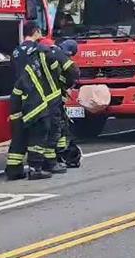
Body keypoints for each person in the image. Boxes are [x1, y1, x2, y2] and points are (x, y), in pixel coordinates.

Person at [6, 22, 66, 180]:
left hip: (17, 97)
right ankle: (36, 167)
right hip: (36, 97)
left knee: (19, 134)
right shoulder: (38, 51)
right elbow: (52, 71)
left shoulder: (16, 52)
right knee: (40, 131)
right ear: (36, 32)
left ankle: (13, 169)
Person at [47, 39, 81, 168]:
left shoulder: (49, 53)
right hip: (54, 99)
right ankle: (57, 156)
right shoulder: (61, 57)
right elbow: (74, 73)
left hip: (45, 99)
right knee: (58, 127)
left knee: (56, 127)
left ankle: (57, 155)